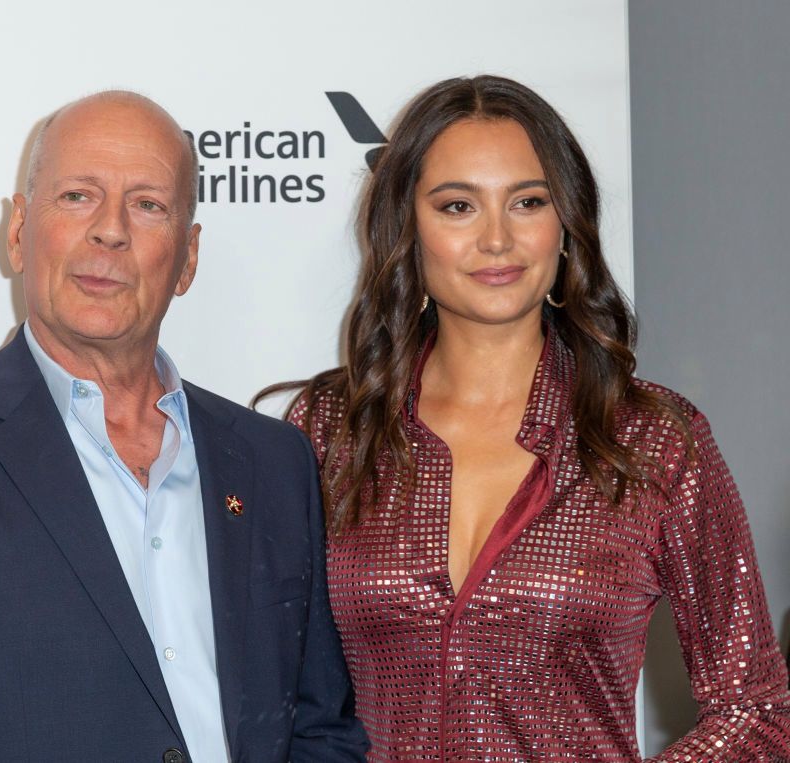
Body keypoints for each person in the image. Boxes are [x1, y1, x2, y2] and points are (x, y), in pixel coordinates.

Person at [0, 91, 368, 763]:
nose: (110, 229)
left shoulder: (273, 458)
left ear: (188, 258)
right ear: (18, 232)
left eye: (148, 204)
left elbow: (321, 727)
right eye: (77, 196)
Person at [273, 76, 790, 760]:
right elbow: (279, 690)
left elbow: (757, 706)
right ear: (408, 228)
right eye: (458, 205)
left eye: (527, 202)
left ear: (566, 225)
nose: (496, 238)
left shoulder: (650, 437)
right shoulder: (332, 427)